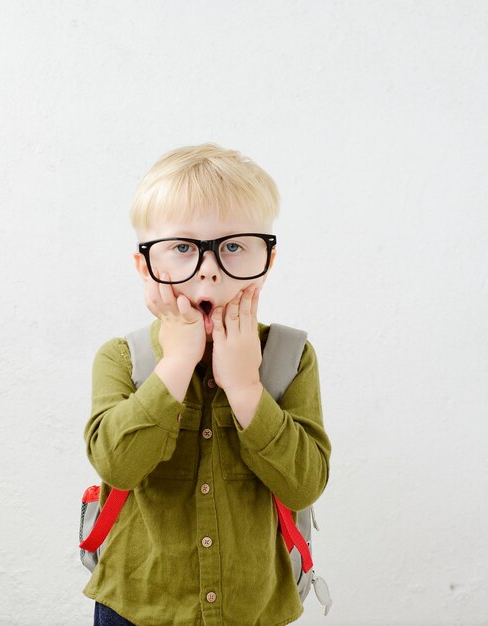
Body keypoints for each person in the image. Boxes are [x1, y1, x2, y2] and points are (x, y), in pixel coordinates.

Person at [82, 143, 331, 626]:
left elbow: (304, 485)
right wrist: (177, 363)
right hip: (136, 608)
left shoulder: (290, 358)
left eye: (234, 245)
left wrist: (244, 389)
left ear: (268, 259)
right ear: (145, 266)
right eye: (182, 247)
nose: (210, 268)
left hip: (254, 610)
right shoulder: (122, 358)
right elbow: (118, 465)